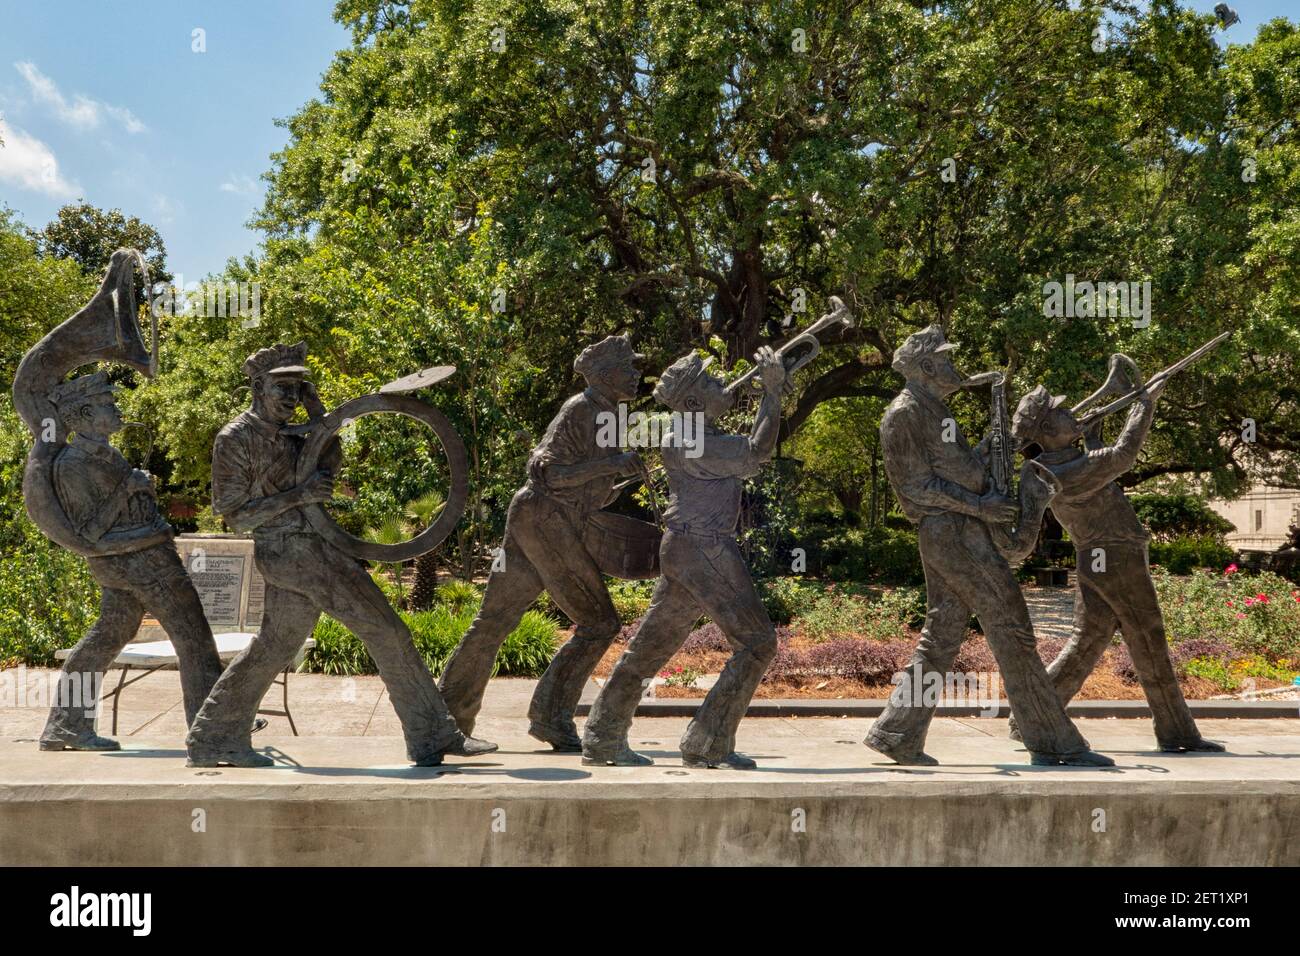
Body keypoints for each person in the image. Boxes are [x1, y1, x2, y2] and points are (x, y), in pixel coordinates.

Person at [186, 343, 496, 767]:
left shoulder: (297, 434)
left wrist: (320, 416)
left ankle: (213, 736)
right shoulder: (235, 438)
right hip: (291, 551)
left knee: (275, 647)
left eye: (299, 388)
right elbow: (237, 516)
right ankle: (432, 736)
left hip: (311, 547)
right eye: (283, 388)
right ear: (258, 387)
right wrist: (299, 496)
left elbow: (330, 458)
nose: (291, 398)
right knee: (387, 632)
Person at [866, 325, 1113, 767]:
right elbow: (916, 487)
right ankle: (1054, 741)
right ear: (925, 367)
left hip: (960, 530)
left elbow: (964, 468)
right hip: (952, 533)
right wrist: (980, 506)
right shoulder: (903, 414)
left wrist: (1006, 440)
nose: (955, 366)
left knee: (940, 638)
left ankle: (897, 733)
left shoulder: (935, 412)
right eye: (945, 359)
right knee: (1013, 629)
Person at [439, 335, 647, 751]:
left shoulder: (609, 414)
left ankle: (443, 723)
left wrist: (617, 479)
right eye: (629, 368)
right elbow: (549, 475)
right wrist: (611, 464)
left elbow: (586, 485)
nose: (637, 374)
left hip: (539, 517)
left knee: (494, 620)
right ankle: (551, 717)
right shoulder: (582, 409)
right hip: (545, 517)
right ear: (606, 376)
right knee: (599, 623)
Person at [582, 346, 785, 769]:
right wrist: (774, 393)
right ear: (693, 401)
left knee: (648, 649)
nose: (722, 383)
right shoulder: (694, 439)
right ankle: (707, 741)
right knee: (757, 643)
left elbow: (746, 453)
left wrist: (772, 394)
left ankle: (603, 735)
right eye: (710, 382)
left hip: (686, 548)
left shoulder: (693, 434)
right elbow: (757, 451)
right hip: (705, 548)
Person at [1008, 381, 1224, 753]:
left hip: (1102, 558)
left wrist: (1090, 437)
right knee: (1149, 640)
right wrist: (1144, 404)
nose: (1069, 412)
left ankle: (1033, 714)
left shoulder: (1057, 464)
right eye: (1060, 412)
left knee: (1087, 642)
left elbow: (1104, 466)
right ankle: (1177, 732)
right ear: (1047, 431)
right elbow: (1123, 455)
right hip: (1116, 559)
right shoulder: (1064, 470)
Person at [39, 372, 224, 751]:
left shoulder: (109, 454)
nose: (117, 408)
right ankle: (215, 729)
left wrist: (139, 493)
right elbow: (90, 531)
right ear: (86, 414)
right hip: (136, 561)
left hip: (144, 554)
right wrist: (130, 488)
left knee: (109, 636)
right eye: (108, 403)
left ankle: (67, 725)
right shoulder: (73, 464)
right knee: (193, 635)